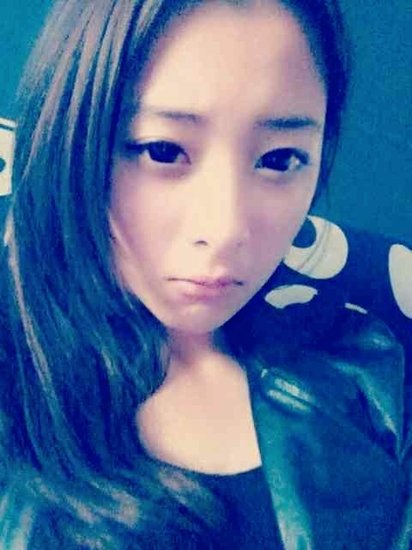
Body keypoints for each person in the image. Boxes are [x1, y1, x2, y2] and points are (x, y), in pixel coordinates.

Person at [0, 0, 410, 547]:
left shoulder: (366, 377)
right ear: (71, 141)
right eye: (163, 150)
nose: (225, 229)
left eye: (280, 159)